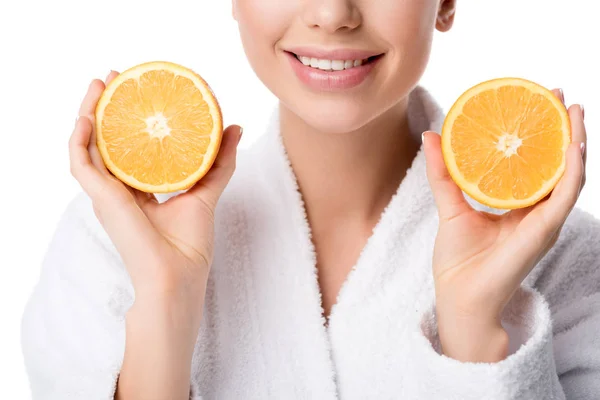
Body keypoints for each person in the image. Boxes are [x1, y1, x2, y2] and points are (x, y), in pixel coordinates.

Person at [21, 1, 599, 399]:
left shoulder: (566, 259)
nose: (332, 14)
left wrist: (477, 327)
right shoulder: (117, 238)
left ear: (445, 1)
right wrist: (166, 303)